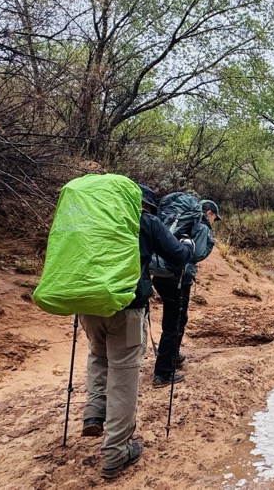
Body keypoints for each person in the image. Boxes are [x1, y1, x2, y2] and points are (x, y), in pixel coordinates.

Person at [78, 184, 193, 479]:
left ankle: (93, 411)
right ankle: (116, 452)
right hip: (127, 308)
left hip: (88, 302)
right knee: (123, 374)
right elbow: (177, 255)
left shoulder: (93, 216)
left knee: (97, 355)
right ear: (147, 205)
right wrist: (189, 245)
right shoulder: (143, 220)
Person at [151, 198, 221, 387]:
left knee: (176, 319)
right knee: (174, 323)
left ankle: (172, 356)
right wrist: (210, 243)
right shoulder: (201, 226)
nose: (214, 221)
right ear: (209, 214)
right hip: (179, 278)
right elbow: (197, 254)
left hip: (159, 274)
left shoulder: (173, 219)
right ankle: (163, 373)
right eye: (215, 217)